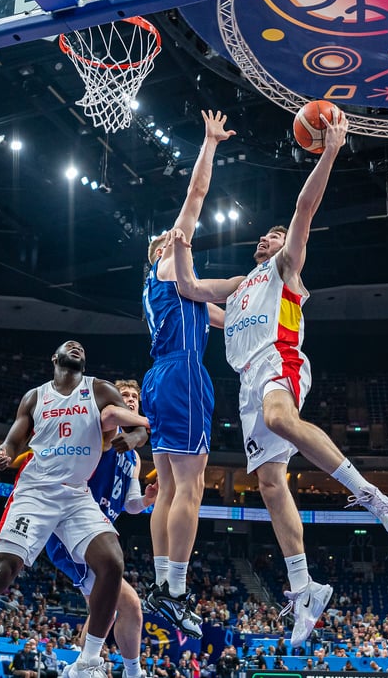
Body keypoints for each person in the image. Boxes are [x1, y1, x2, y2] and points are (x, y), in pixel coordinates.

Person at [170, 110, 388, 647]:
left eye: (277, 235)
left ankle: (369, 495)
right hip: (246, 382)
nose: (269, 236)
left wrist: (328, 153)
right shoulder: (237, 285)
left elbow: (303, 208)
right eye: (267, 233)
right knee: (271, 485)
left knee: (282, 417)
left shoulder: (287, 270)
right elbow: (187, 290)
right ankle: (304, 587)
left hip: (282, 361)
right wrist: (179, 249)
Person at [0, 341, 149, 678]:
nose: (76, 346)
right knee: (3, 570)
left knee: (112, 562)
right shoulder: (35, 397)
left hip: (76, 495)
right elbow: (14, 439)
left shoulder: (100, 389)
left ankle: (88, 661)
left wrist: (133, 440)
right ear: (55, 358)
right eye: (69, 346)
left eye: (81, 348)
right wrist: (3, 451)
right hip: (36, 490)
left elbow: (135, 428)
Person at [140, 110, 233, 635]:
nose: (183, 239)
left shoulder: (180, 293)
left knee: (173, 487)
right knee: (190, 487)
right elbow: (195, 196)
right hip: (181, 376)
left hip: (161, 377)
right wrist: (209, 143)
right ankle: (176, 590)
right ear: (161, 251)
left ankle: (161, 585)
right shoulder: (170, 264)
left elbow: (225, 319)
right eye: (173, 240)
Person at [45, 379, 156, 678]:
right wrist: (148, 424)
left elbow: (130, 504)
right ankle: (132, 673)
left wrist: (146, 499)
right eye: (125, 395)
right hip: (73, 530)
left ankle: (81, 668)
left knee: (102, 613)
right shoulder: (103, 428)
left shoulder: (133, 457)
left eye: (135, 396)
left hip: (99, 536)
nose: (131, 399)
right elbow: (110, 414)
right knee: (129, 605)